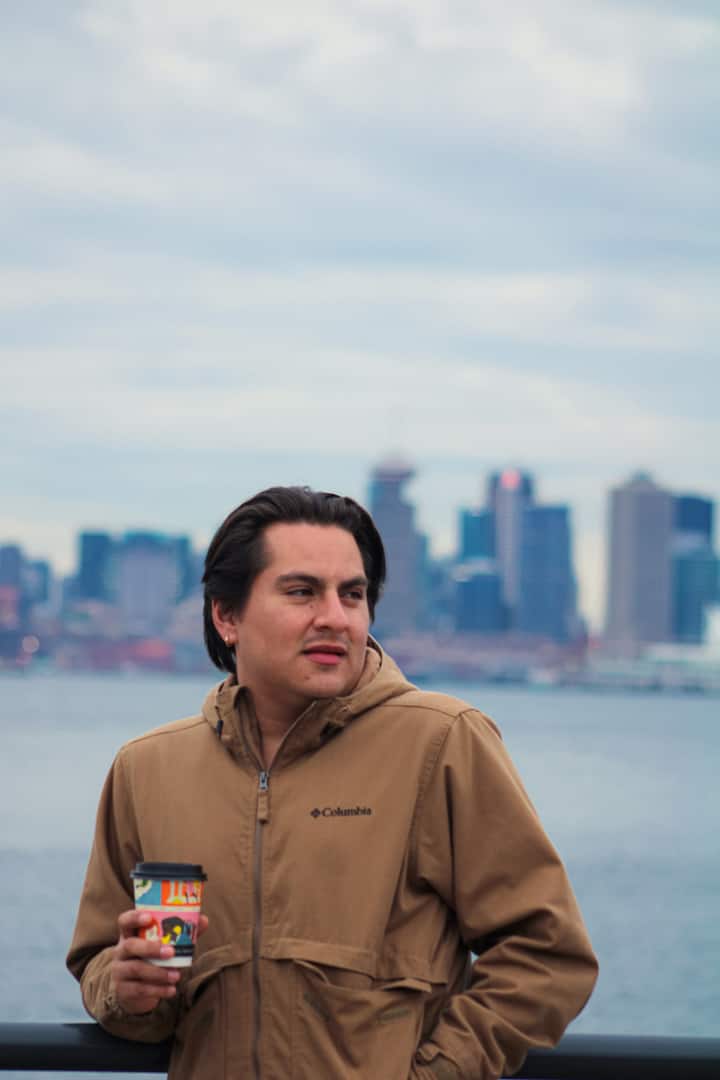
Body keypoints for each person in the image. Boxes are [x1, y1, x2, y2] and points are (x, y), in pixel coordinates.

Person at [67, 485, 598, 1079]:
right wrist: (127, 989)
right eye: (301, 592)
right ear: (226, 616)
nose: (335, 618)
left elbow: (548, 955)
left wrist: (439, 1072)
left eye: (352, 594)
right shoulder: (148, 769)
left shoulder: (443, 741)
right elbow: (100, 961)